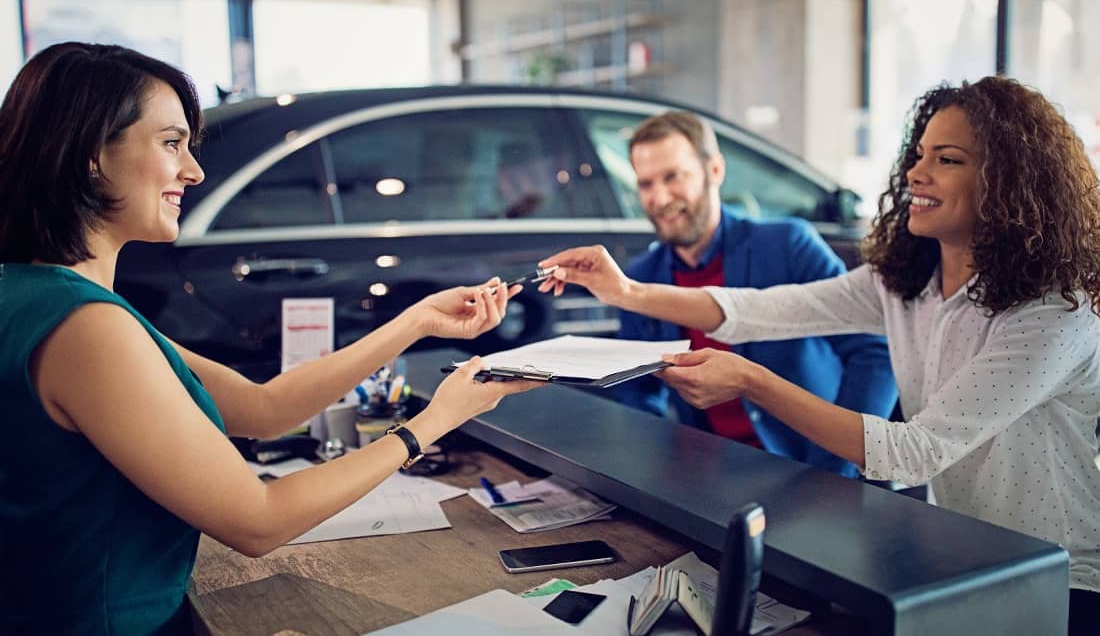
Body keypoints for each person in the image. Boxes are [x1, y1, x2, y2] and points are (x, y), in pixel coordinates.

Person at [0, 42, 540, 635]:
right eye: (171, 143)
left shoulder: (45, 296)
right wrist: (432, 424)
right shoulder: (88, 328)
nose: (194, 171)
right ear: (90, 155)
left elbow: (262, 409)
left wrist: (416, 322)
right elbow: (257, 521)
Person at [539, 76, 1100, 634]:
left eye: (947, 159)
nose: (916, 173)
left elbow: (915, 453)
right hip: (964, 558)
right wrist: (627, 292)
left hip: (1061, 581)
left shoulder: (1055, 313)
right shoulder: (906, 283)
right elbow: (763, 310)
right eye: (919, 153)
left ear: (1008, 182)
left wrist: (754, 383)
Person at [612, 110, 896, 478]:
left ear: (714, 171)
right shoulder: (640, 280)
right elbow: (638, 392)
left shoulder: (788, 245)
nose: (660, 197)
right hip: (712, 475)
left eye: (672, 177)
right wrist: (658, 468)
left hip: (811, 466)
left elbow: (874, 353)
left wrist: (839, 469)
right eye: (646, 184)